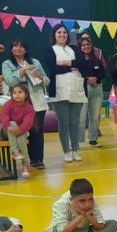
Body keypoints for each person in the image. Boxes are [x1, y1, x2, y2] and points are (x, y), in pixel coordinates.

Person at [41, 178, 117, 232]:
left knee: (113, 224)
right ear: (72, 200)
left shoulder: (92, 200)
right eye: (82, 201)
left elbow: (101, 226)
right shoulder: (60, 204)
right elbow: (64, 231)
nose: (88, 205)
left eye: (90, 199)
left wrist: (89, 216)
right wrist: (80, 216)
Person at [2, 40, 49, 169]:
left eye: (22, 46)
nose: (18, 48)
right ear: (11, 49)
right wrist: (23, 70)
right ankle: (25, 160)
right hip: (19, 104)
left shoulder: (35, 62)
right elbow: (11, 82)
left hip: (37, 100)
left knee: (37, 131)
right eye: (15, 46)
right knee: (24, 130)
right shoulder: (7, 64)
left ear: (26, 49)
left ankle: (37, 159)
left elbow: (47, 81)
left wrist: (40, 77)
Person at [45, 24, 86, 162]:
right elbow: (53, 67)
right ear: (54, 35)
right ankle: (66, 150)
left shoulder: (74, 49)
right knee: (64, 122)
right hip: (59, 90)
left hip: (76, 89)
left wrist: (64, 62)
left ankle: (75, 149)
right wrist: (72, 67)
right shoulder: (50, 50)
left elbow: (82, 64)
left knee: (75, 122)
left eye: (64, 32)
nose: (62, 35)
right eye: (59, 32)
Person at [0, 84, 35, 178]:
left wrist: (19, 130)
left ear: (26, 94)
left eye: (20, 92)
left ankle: (25, 165)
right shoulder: (9, 104)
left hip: (21, 132)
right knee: (13, 123)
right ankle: (14, 149)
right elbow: (3, 116)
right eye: (14, 93)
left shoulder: (29, 108)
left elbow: (28, 123)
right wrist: (10, 127)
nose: (17, 95)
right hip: (6, 131)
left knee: (21, 140)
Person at [76, 36, 106, 147]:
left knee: (95, 116)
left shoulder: (97, 60)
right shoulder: (77, 61)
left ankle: (93, 139)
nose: (86, 47)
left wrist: (96, 79)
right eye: (83, 45)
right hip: (82, 90)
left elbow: (103, 73)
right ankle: (78, 141)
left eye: (88, 45)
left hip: (97, 90)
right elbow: (76, 74)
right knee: (81, 117)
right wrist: (87, 79)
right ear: (80, 47)